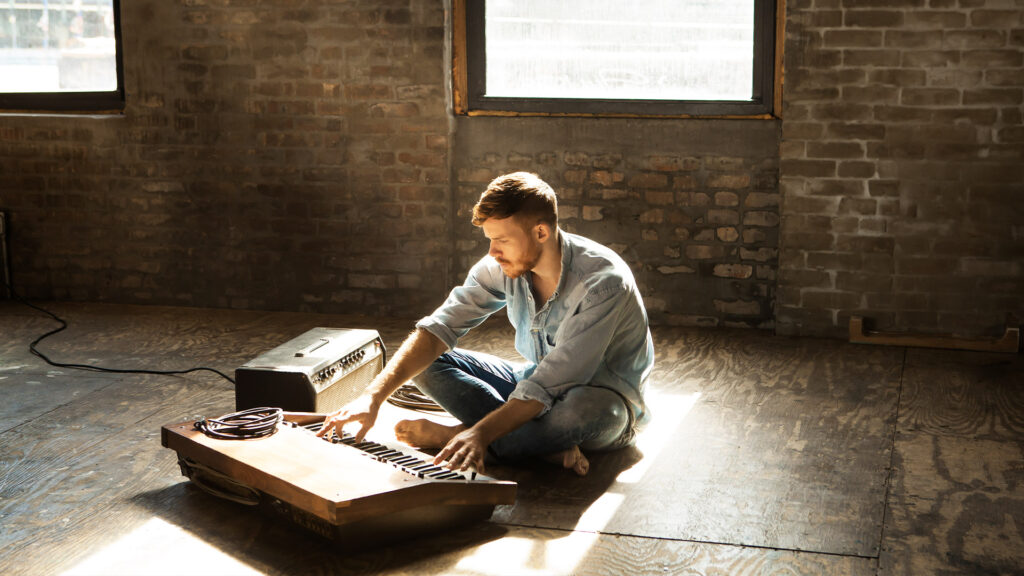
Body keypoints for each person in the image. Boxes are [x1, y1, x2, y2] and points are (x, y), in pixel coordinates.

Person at [318, 172, 653, 476]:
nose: (492, 252)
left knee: (577, 412)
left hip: (604, 405)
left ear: (540, 232)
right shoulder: (499, 264)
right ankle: (538, 448)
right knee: (425, 362)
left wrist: (477, 432)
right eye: (489, 240)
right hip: (531, 383)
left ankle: (458, 435)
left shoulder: (603, 283)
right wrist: (372, 397)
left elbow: (557, 381)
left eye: (502, 240)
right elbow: (439, 328)